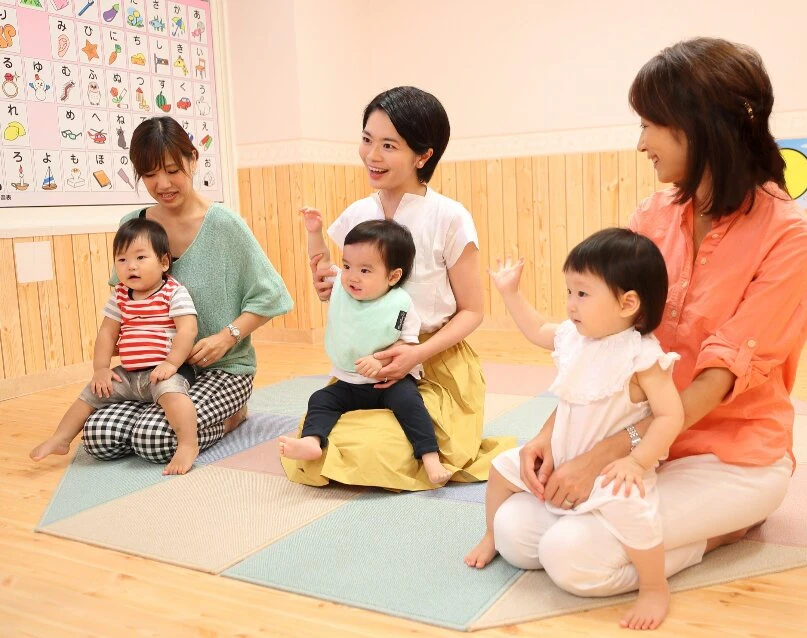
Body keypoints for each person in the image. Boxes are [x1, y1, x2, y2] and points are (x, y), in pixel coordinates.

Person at [490, 37, 807, 631]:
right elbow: (600, 338)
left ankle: (725, 530)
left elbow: (718, 380)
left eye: (652, 125)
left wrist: (600, 456)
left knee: (572, 556)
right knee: (516, 533)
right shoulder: (653, 215)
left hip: (728, 459)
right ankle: (650, 528)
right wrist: (554, 434)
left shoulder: (789, 240)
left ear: (707, 126)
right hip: (639, 449)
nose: (641, 142)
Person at [282, 86, 514, 491]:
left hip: (436, 364)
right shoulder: (358, 214)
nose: (373, 156)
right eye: (368, 140)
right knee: (317, 434)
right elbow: (350, 285)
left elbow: (473, 311)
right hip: (365, 370)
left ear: (423, 156)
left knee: (378, 449)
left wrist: (416, 354)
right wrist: (333, 289)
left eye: (389, 145)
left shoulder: (449, 217)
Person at [465, 229, 683, 630]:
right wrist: (511, 294)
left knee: (634, 510)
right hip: (562, 458)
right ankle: (491, 536)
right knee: (499, 469)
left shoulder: (642, 356)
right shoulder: (572, 338)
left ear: (628, 303)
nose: (570, 305)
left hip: (609, 470)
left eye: (582, 294)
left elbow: (671, 415)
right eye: (569, 292)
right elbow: (535, 330)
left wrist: (638, 461)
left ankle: (654, 587)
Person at [81, 116, 292, 463]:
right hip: (152, 370)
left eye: (172, 170)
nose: (162, 183)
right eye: (150, 175)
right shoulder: (134, 226)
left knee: (155, 441)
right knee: (99, 437)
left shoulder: (224, 225)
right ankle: (148, 419)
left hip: (222, 370)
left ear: (193, 159)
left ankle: (232, 416)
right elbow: (119, 302)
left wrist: (228, 336)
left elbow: (271, 295)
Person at [279, 215, 454, 485]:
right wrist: (314, 233)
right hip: (348, 382)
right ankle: (312, 441)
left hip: (388, 383)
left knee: (412, 405)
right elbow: (321, 262)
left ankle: (430, 457)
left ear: (393, 276)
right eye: (348, 265)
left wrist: (379, 361)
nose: (352, 277)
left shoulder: (399, 305)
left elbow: (405, 342)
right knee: (320, 400)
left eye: (365, 270)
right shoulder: (341, 287)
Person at [31, 218, 201, 475]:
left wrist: (171, 363)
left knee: (173, 395)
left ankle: (188, 444)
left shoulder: (173, 293)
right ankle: (61, 437)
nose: (131, 266)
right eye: (121, 260)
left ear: (164, 262)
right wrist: (101, 369)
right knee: (90, 393)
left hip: (165, 371)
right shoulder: (120, 295)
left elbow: (188, 329)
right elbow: (106, 334)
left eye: (141, 258)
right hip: (128, 373)